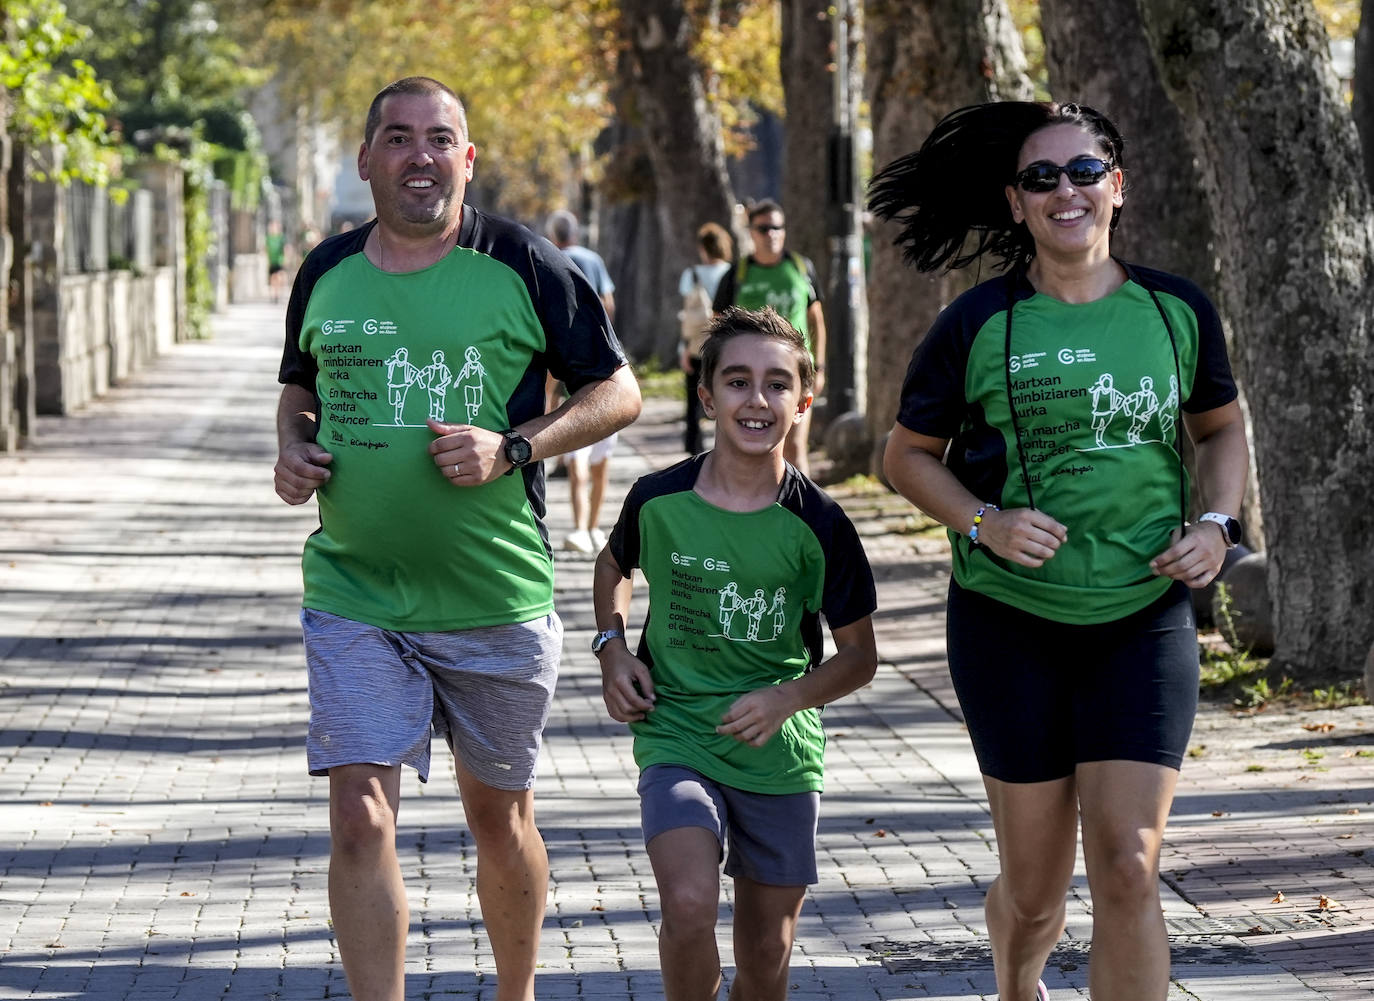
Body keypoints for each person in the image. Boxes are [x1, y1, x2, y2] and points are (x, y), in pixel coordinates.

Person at [272, 76, 641, 1001]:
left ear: (467, 160)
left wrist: (516, 445)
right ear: (367, 162)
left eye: (440, 139)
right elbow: (299, 388)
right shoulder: (325, 271)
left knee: (499, 819)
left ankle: (514, 992)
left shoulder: (522, 262)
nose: (420, 156)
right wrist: (290, 447)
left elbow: (619, 392)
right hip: (355, 591)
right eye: (398, 139)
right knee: (358, 818)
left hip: (493, 597)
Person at [871, 102, 1249, 1001]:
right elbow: (904, 458)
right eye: (1042, 178)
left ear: (1117, 186)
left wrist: (1219, 524)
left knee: (1127, 864)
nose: (1065, 191)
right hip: (1012, 625)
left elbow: (1223, 428)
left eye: (1084, 172)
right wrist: (983, 522)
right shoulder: (979, 324)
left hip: (1142, 620)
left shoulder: (1175, 310)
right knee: (1036, 889)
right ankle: (1016, 979)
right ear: (1016, 203)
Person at [592, 306, 878, 1001]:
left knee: (767, 954)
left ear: (803, 401)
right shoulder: (658, 499)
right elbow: (613, 566)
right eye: (739, 381)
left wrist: (787, 698)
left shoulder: (820, 524)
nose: (757, 400)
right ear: (707, 394)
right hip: (678, 731)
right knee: (687, 905)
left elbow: (860, 656)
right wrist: (612, 647)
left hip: (777, 750)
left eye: (778, 385)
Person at [711, 200, 826, 477]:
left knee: (796, 447)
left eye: (776, 227)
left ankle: (805, 515)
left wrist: (819, 367)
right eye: (763, 228)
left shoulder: (800, 268)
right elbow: (716, 326)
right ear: (751, 232)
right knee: (753, 449)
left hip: (794, 372)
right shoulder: (737, 274)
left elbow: (817, 321)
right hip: (748, 375)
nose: (770, 234)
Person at [546, 208, 619, 553]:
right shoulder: (593, 259)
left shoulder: (549, 260)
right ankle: (593, 527)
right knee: (600, 460)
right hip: (603, 365)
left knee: (577, 458)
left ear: (553, 235)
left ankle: (579, 528)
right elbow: (608, 301)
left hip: (566, 364)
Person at [678, 221, 733, 454]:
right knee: (726, 394)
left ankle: (694, 448)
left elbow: (686, 317)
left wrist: (682, 349)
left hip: (697, 345)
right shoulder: (732, 274)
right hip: (726, 345)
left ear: (703, 248)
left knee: (693, 399)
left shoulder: (691, 274)